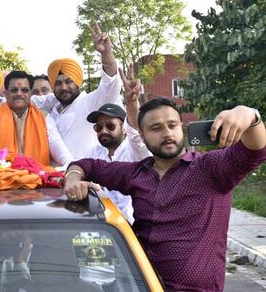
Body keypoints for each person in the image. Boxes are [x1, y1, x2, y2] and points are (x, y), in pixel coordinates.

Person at [64, 98, 266, 291]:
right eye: (156, 128)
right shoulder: (135, 173)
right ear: (142, 135)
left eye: (172, 125)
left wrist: (250, 116)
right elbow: (87, 165)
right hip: (141, 285)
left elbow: (256, 150)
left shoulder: (211, 168)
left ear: (181, 127)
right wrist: (73, 177)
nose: (167, 133)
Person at [32, 22, 123, 160]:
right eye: (57, 83)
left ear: (79, 82)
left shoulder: (90, 102)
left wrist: (106, 54)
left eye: (69, 82)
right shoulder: (51, 107)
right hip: (54, 178)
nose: (63, 87)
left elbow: (110, 84)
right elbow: (24, 99)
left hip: (87, 177)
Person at [0, 64, 73, 167]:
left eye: (24, 90)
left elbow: (59, 149)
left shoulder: (44, 117)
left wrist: (73, 167)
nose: (19, 94)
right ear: (6, 94)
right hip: (3, 181)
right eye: (14, 90)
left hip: (38, 181)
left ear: (30, 94)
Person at [83, 65, 151, 224]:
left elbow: (136, 132)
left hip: (134, 229)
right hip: (102, 226)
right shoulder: (94, 153)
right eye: (99, 127)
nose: (103, 131)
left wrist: (132, 103)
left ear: (124, 128)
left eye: (110, 125)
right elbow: (77, 167)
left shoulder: (136, 151)